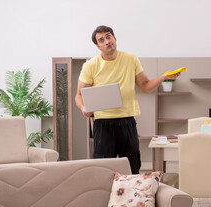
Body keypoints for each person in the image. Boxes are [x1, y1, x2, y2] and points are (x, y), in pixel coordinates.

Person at [75, 25, 180, 174]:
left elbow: (145, 86)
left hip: (127, 122)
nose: (107, 41)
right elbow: (78, 95)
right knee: (104, 170)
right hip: (103, 124)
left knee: (132, 167)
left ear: (114, 38)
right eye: (102, 40)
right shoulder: (91, 65)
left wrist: (164, 77)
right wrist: (83, 108)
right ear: (98, 46)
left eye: (108, 36)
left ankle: (132, 197)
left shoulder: (131, 58)